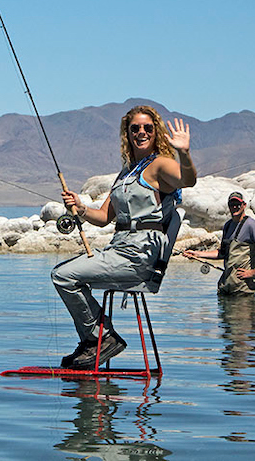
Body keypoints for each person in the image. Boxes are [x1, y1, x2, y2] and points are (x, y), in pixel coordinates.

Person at [51, 105, 197, 370]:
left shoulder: (160, 163)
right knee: (63, 272)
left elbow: (187, 181)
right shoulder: (128, 171)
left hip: (140, 256)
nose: (141, 133)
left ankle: (99, 338)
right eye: (135, 129)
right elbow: (105, 216)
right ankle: (96, 339)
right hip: (118, 249)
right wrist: (81, 207)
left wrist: (183, 153)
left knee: (63, 276)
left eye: (147, 128)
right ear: (127, 134)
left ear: (156, 132)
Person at [184, 191, 255, 295]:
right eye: (232, 205)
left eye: (238, 204)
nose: (235, 207)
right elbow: (222, 253)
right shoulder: (228, 226)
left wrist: (254, 272)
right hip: (227, 286)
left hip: (243, 288)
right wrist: (197, 254)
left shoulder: (251, 225)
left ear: (244, 205)